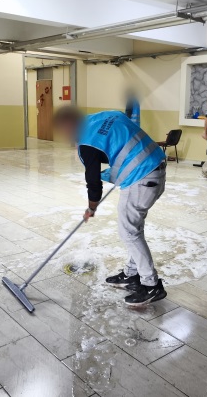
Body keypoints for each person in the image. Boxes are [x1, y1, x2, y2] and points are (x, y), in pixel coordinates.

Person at [53, 107, 167, 306]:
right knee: (133, 230)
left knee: (129, 233)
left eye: (63, 130)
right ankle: (132, 274)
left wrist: (91, 207)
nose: (65, 135)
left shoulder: (87, 142)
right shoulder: (103, 116)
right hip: (155, 168)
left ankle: (151, 285)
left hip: (141, 178)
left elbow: (93, 182)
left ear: (69, 124)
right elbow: (121, 139)